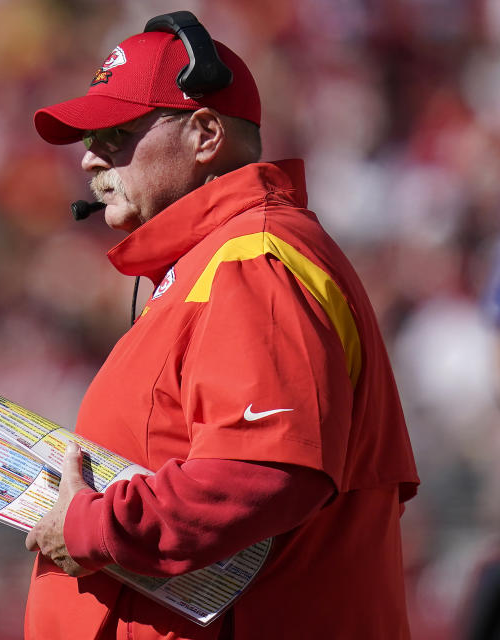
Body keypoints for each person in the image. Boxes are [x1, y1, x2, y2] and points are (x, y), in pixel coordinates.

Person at [22, 11, 419, 640]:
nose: (90, 160)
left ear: (205, 134)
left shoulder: (250, 258)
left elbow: (262, 471)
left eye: (118, 134)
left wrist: (92, 527)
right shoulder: (219, 261)